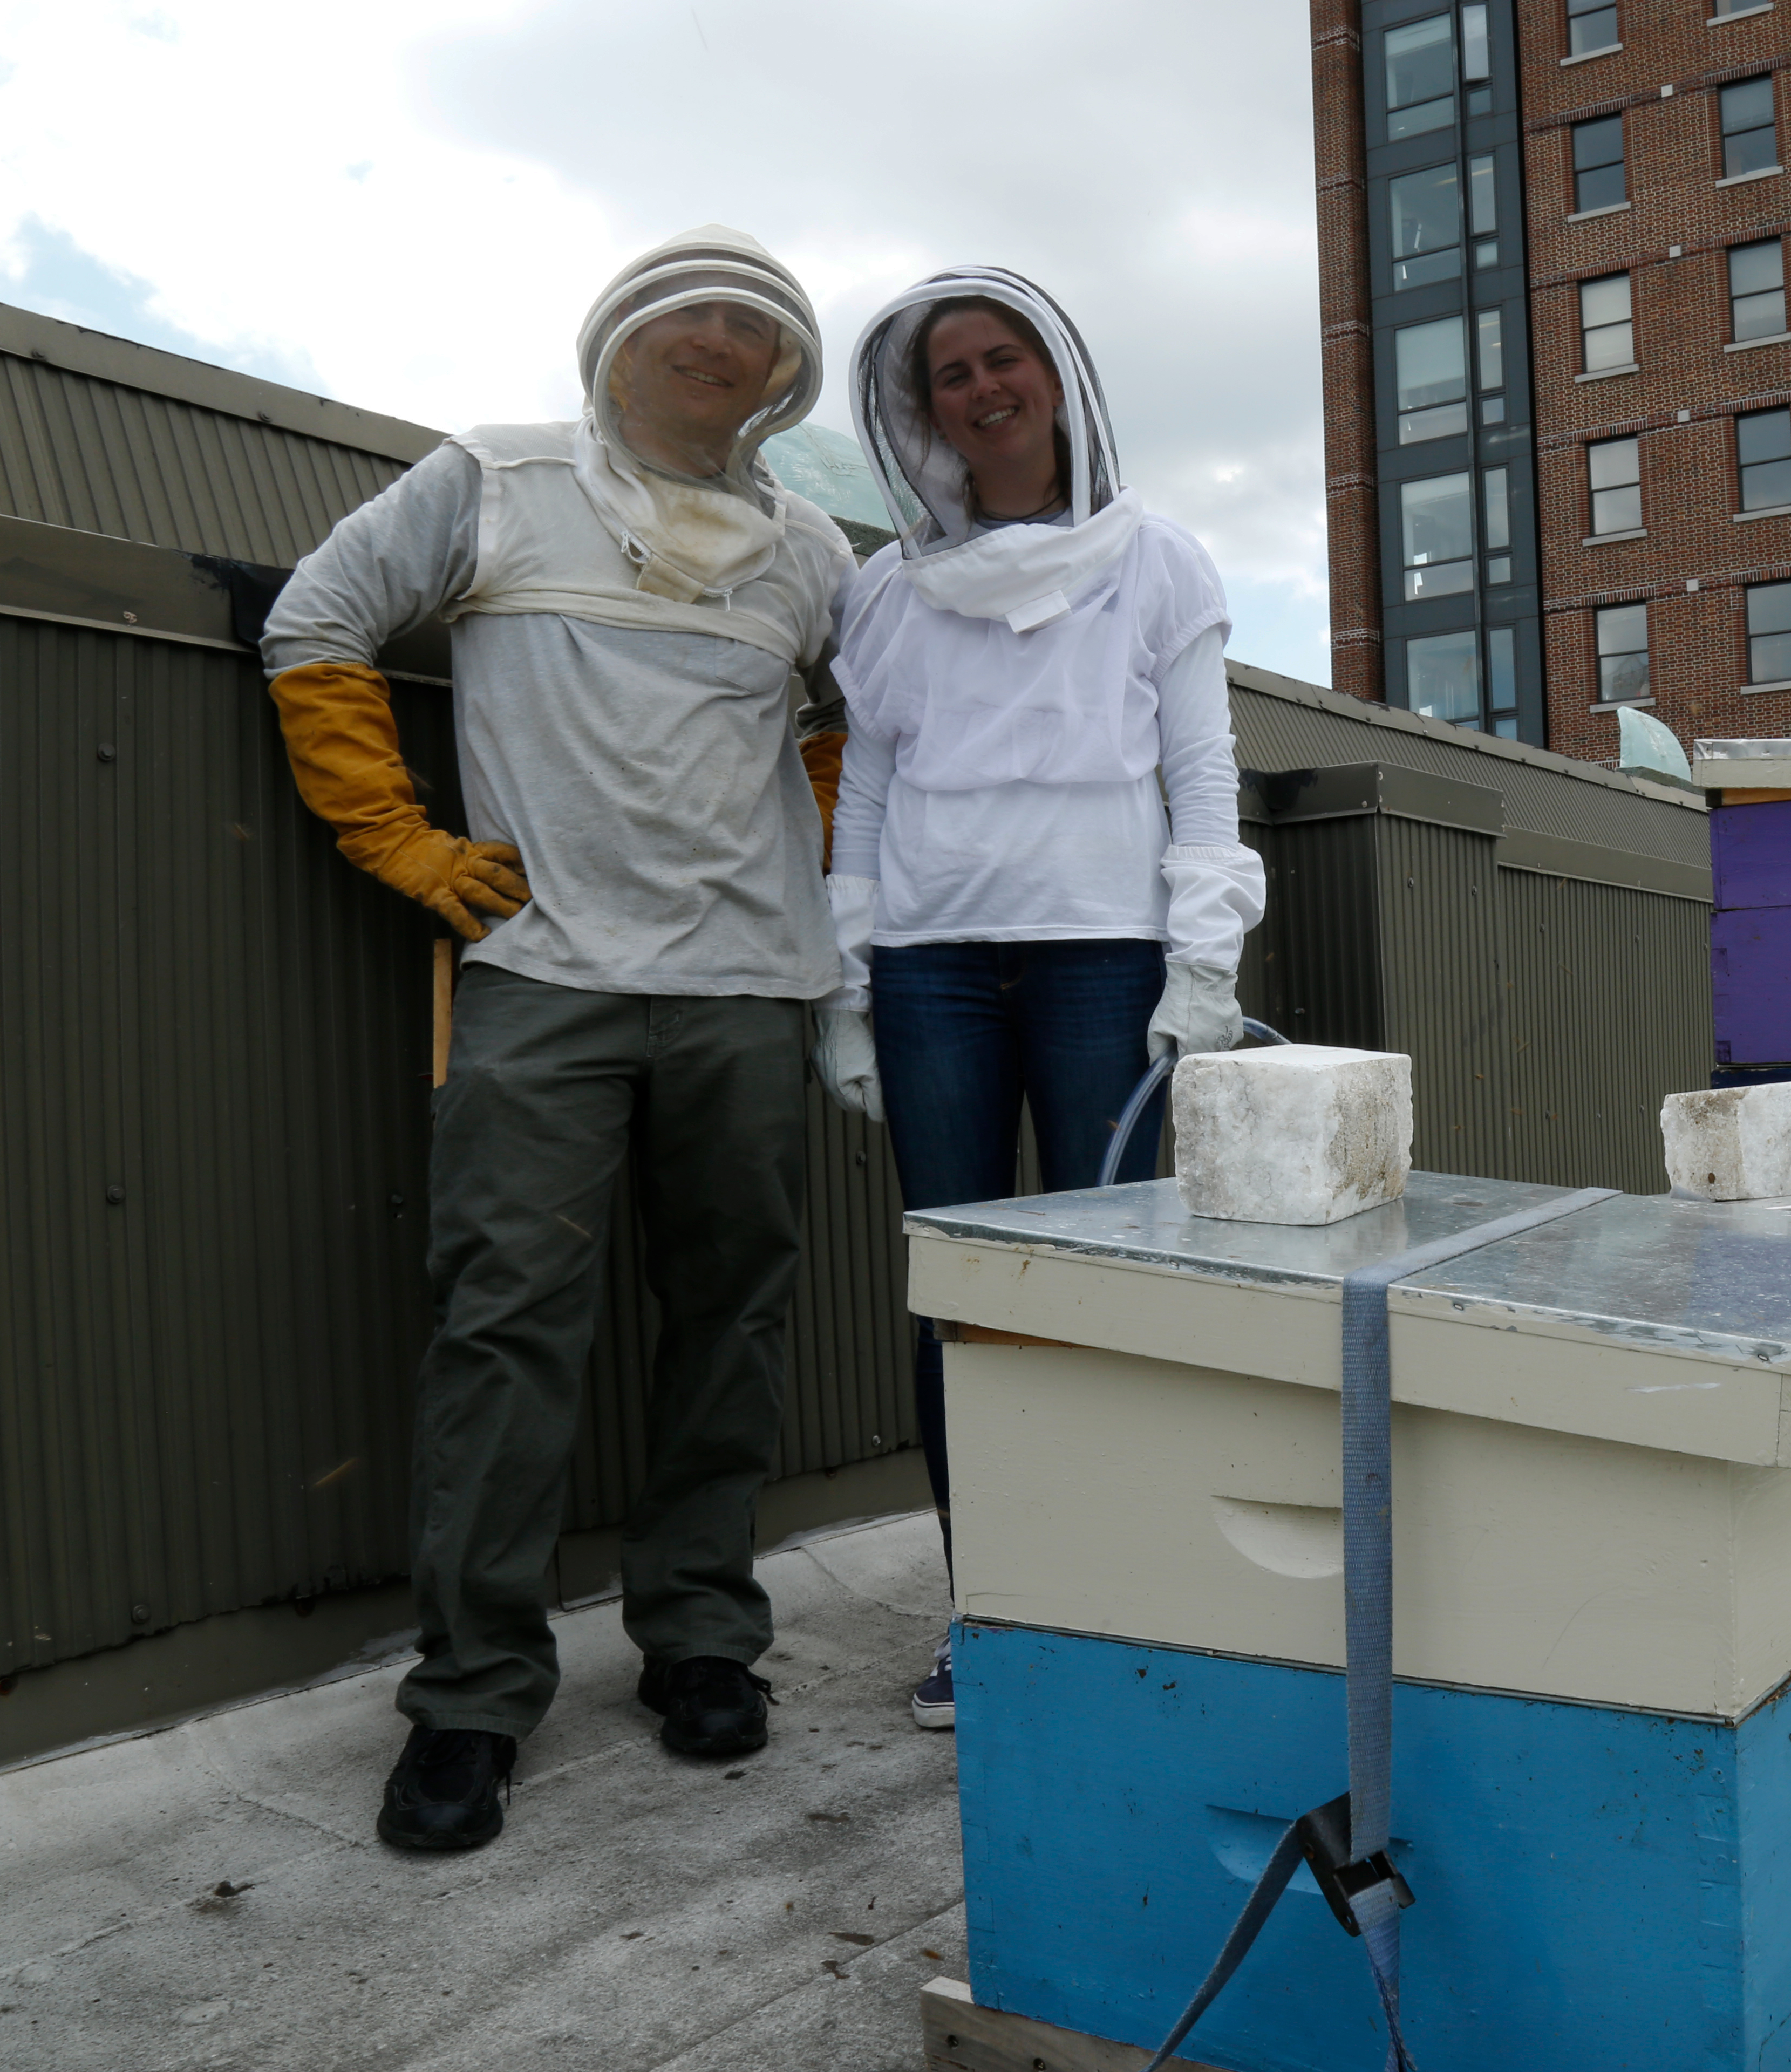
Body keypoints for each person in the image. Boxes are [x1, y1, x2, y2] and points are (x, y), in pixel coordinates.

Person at [261, 227, 858, 1851]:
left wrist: (810, 865)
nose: (721, 341)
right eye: (690, 316)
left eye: (756, 327)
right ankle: (468, 1702)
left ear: (784, 375)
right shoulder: (493, 477)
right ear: (617, 338)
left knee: (729, 1319)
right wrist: (401, 843)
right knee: (504, 1329)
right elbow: (316, 627)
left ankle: (703, 1643)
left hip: (749, 990)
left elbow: (847, 730)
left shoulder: (813, 550)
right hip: (539, 975)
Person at [809, 267, 1265, 1731]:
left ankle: (1126, 1599)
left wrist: (1203, 962)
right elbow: (867, 784)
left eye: (1004, 359)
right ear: (918, 407)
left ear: (1056, 375)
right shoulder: (887, 590)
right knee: (964, 1303)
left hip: (1101, 965)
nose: (982, 388)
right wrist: (848, 985)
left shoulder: (1156, 561)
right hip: (933, 973)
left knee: (1114, 1294)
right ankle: (987, 1609)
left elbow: (1200, 771)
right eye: (952, 374)